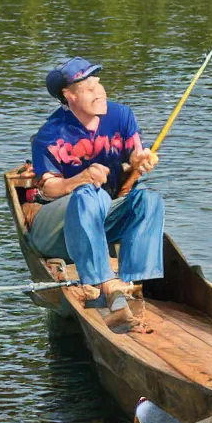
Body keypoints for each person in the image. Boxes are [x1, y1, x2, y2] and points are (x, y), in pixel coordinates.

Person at [28, 56, 164, 327]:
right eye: (89, 89)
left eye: (98, 85)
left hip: (101, 221)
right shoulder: (50, 134)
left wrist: (140, 161)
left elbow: (136, 151)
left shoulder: (121, 116)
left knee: (148, 199)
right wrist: (78, 179)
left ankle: (128, 284)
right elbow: (49, 188)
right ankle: (102, 282)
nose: (99, 92)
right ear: (69, 96)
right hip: (55, 231)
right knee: (90, 194)